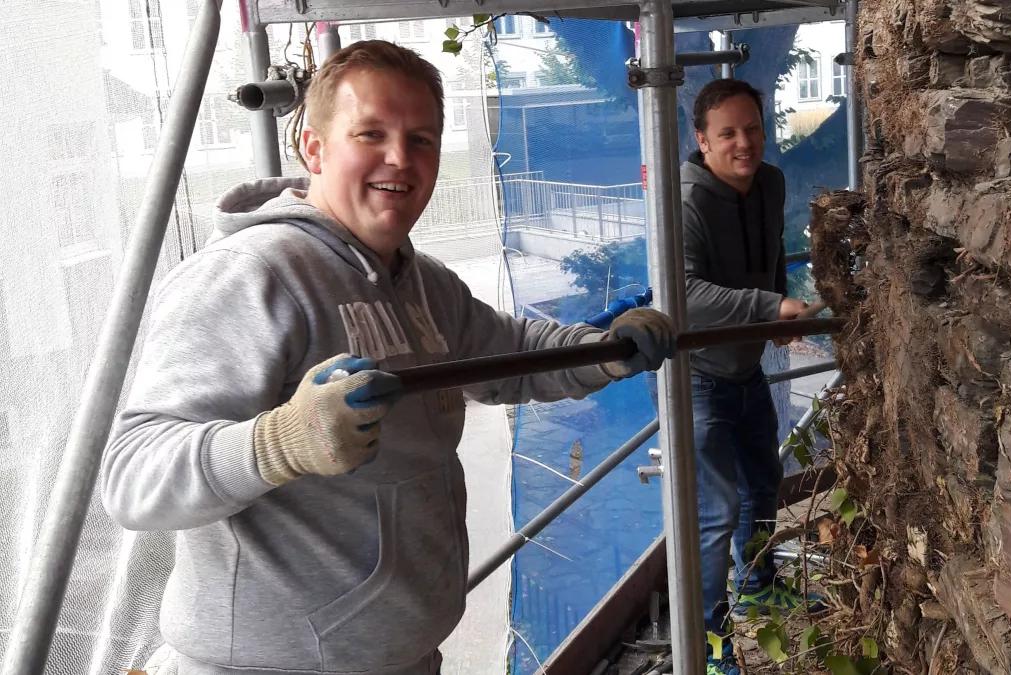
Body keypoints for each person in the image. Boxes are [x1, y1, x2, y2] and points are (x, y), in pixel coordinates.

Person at [101, 41, 674, 675]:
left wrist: (608, 349)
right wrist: (278, 443)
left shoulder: (420, 279)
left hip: (398, 654)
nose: (400, 159)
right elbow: (134, 478)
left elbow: (509, 354)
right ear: (313, 147)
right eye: (370, 133)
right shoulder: (251, 275)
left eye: (421, 139)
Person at [680, 78, 823, 675]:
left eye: (754, 129)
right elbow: (682, 294)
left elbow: (767, 258)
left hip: (747, 368)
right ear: (702, 140)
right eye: (729, 133)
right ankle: (710, 640)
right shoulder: (684, 202)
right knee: (714, 514)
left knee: (763, 481)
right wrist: (768, 310)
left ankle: (760, 581)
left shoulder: (770, 182)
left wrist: (777, 312)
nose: (745, 143)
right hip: (699, 376)